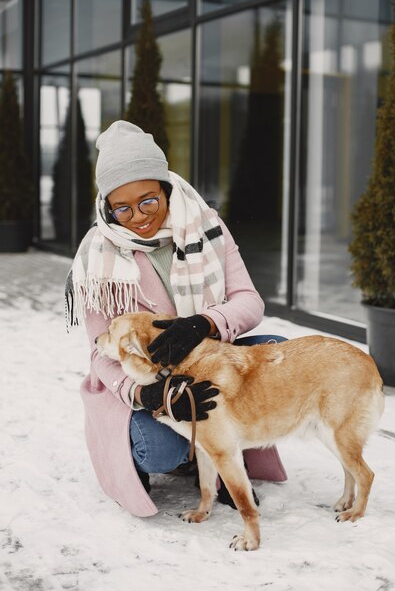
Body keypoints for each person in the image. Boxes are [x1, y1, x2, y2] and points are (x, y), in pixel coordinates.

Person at [65, 120, 287, 517]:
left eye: (148, 200)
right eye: (123, 208)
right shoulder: (95, 259)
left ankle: (219, 453)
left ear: (165, 186)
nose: (138, 216)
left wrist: (204, 323)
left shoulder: (208, 227)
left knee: (276, 356)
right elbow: (100, 354)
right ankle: (144, 454)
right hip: (142, 380)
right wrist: (143, 395)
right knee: (159, 451)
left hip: (204, 360)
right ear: (107, 207)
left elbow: (249, 301)